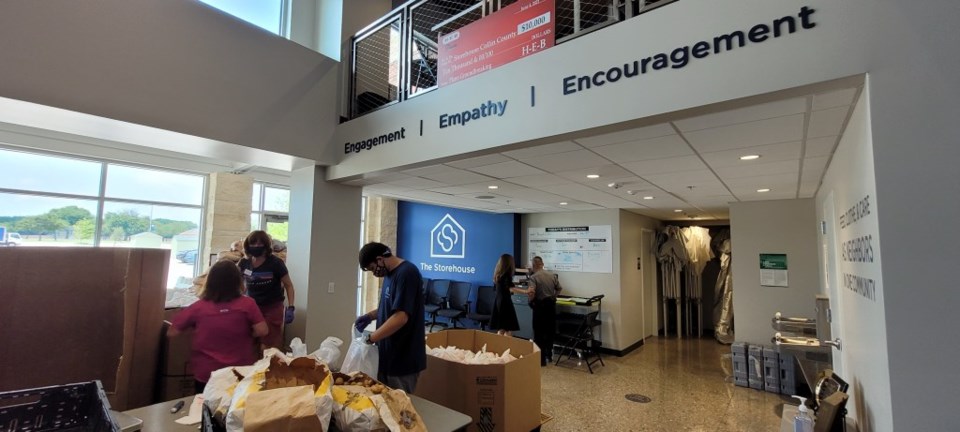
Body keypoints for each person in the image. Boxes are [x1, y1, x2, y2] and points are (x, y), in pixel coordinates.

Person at [168, 260, 268, 393]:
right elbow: (262, 330)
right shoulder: (247, 304)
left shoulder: (198, 308)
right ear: (237, 281)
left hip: (208, 373)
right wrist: (248, 332)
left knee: (206, 410)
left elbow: (172, 332)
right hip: (239, 371)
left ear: (210, 282)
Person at [353, 242, 426, 394]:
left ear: (380, 259)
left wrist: (371, 338)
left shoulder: (407, 273)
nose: (374, 273)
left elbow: (401, 316)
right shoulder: (390, 275)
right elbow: (390, 307)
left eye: (373, 268)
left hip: (403, 358)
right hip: (388, 356)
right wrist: (370, 316)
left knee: (399, 409)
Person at [238, 230, 295, 351]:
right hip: (252, 307)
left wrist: (291, 307)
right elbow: (237, 284)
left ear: (266, 246)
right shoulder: (244, 263)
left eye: (260, 244)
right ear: (248, 245)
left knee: (269, 344)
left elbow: (288, 285)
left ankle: (268, 367)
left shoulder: (276, 263)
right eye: (253, 244)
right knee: (250, 342)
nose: (256, 247)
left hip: (272, 307)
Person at [527, 256, 562, 366]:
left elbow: (531, 292)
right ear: (542, 264)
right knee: (549, 331)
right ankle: (549, 355)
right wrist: (554, 297)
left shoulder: (533, 277)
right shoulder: (552, 276)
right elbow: (559, 288)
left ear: (533, 266)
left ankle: (540, 360)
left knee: (538, 333)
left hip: (540, 307)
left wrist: (530, 302)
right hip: (551, 306)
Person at [489, 253, 525, 336]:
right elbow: (511, 288)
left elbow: (500, 288)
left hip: (498, 302)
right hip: (505, 303)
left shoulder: (497, 275)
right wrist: (525, 292)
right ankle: (507, 346)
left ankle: (498, 346)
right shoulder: (506, 275)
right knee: (508, 329)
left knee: (501, 328)